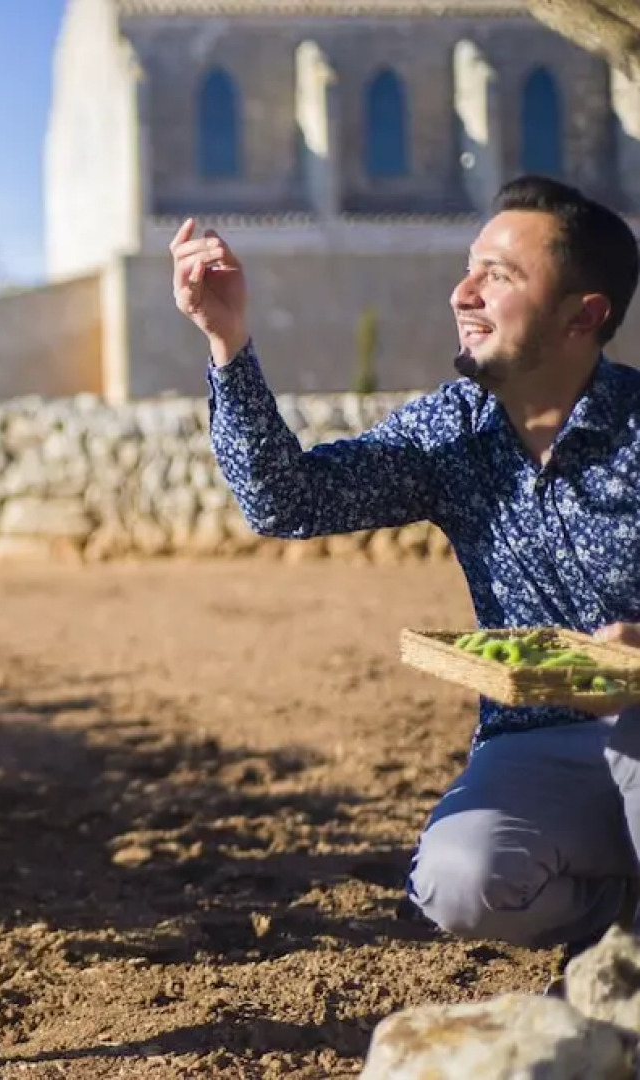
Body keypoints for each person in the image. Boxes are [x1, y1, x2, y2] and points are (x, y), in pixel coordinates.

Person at [169, 175, 640, 982]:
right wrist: (226, 342)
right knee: (458, 882)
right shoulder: (450, 429)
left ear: (583, 315)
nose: (462, 291)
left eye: (499, 273)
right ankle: (615, 922)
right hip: (534, 742)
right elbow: (287, 501)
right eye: (469, 267)